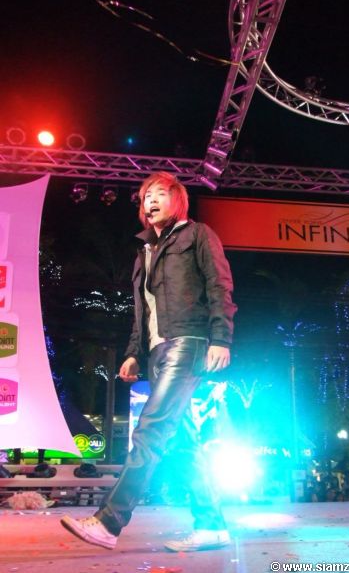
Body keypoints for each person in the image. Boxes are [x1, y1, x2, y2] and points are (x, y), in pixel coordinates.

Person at [61, 171, 237, 552]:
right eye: (145, 197)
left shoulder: (197, 235)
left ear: (178, 200)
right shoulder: (143, 253)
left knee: (150, 430)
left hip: (188, 342)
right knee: (183, 443)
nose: (151, 201)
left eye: (159, 194)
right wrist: (132, 353)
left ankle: (109, 521)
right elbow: (143, 313)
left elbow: (219, 285)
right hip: (158, 352)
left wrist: (221, 338)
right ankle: (212, 525)